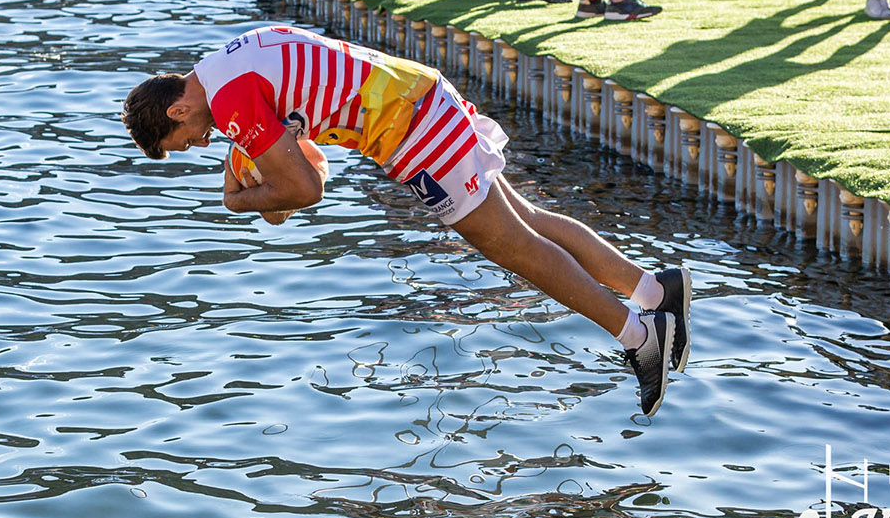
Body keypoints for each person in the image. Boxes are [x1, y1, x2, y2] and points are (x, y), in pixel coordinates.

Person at [122, 24, 693, 416]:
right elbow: (303, 144)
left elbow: (305, 188)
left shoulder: (231, 106)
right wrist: (267, 177)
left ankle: (641, 334)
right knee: (528, 220)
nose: (200, 143)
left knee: (512, 248)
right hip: (416, 95)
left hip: (410, 128)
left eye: (185, 140)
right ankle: (655, 290)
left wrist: (236, 201)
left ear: (178, 110)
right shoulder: (221, 69)